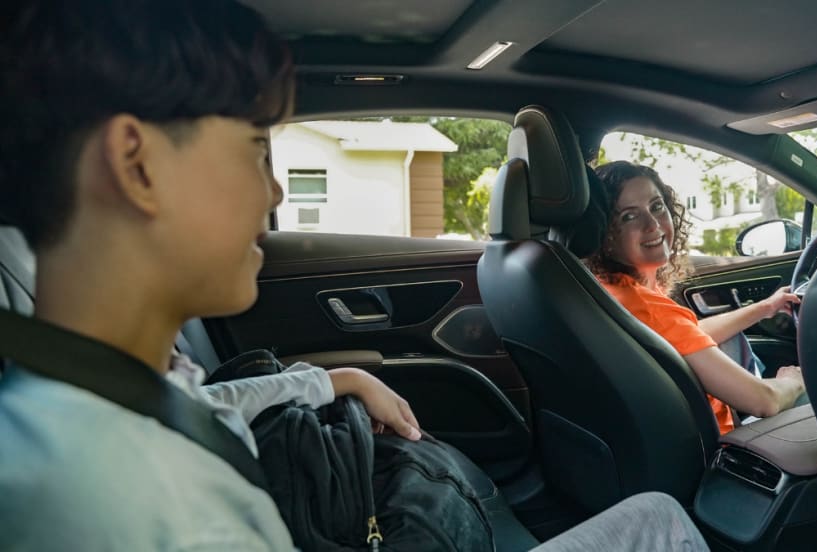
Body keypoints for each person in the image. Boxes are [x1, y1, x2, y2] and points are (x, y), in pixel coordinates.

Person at [0, 1, 707, 550]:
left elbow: (209, 405)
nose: (274, 195)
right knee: (661, 521)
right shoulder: (160, 507)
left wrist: (336, 377)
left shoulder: (89, 397)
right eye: (253, 151)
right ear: (136, 164)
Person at [588, 161, 806, 434]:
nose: (653, 224)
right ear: (605, 233)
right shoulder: (650, 309)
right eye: (629, 217)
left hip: (680, 435)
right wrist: (793, 381)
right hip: (724, 446)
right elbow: (765, 401)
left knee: (732, 340)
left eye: (656, 206)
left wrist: (764, 308)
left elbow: (685, 336)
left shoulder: (609, 290)